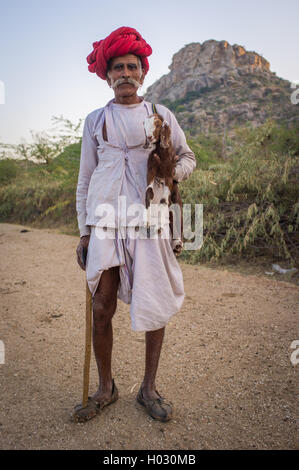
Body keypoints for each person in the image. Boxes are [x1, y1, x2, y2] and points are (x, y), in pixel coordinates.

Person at [74, 26, 196, 422]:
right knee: (102, 306)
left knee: (155, 303)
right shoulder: (95, 121)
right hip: (105, 221)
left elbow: (189, 158)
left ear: (142, 72)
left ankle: (148, 389)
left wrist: (169, 171)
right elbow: (85, 179)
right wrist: (84, 230)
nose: (125, 73)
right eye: (117, 68)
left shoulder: (161, 116)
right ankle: (106, 389)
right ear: (107, 76)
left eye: (131, 66)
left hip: (149, 221)